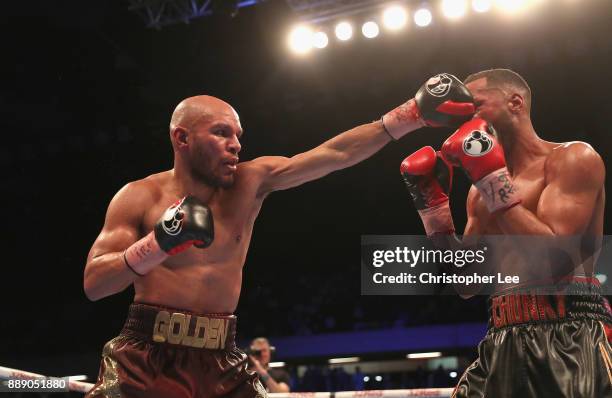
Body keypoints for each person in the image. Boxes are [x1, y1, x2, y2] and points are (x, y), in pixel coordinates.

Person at [83, 73, 475, 398]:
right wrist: (158, 244)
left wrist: (411, 115)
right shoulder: (139, 196)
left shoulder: (251, 182)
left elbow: (334, 154)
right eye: (221, 133)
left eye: (238, 134)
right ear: (182, 139)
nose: (236, 145)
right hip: (149, 355)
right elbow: (96, 284)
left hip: (220, 356)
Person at [400, 68, 612, 397]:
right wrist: (434, 211)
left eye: (476, 107)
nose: (465, 118)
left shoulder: (573, 159)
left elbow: (553, 262)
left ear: (515, 102)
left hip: (570, 335)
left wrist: (490, 178)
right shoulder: (478, 193)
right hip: (501, 333)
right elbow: (467, 284)